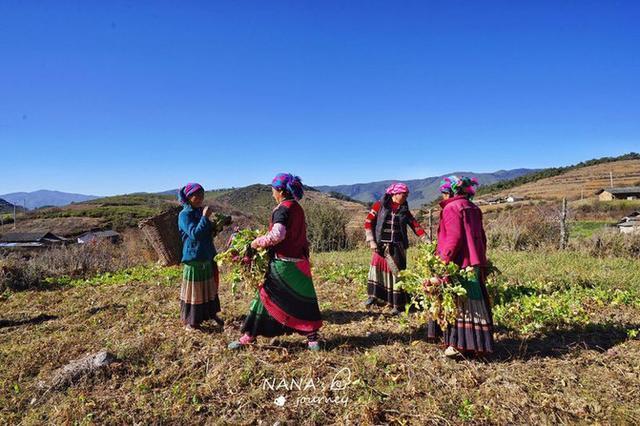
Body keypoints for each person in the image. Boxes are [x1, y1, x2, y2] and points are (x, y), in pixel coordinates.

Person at [228, 173, 323, 351]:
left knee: (265, 298)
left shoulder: (282, 209)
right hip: (300, 261)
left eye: (273, 190)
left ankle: (249, 335)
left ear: (280, 190)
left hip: (283, 263)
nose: (272, 193)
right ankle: (312, 338)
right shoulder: (297, 207)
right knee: (303, 299)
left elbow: (277, 235)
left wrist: (255, 243)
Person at [427, 176, 494, 357]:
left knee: (459, 302)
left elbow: (454, 239)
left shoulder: (451, 208)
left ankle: (460, 345)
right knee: (474, 301)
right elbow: (482, 237)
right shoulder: (473, 208)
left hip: (459, 262)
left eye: (443, 193)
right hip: (474, 262)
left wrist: (443, 263)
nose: (442, 197)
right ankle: (478, 344)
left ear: (449, 192)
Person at [364, 182, 427, 314]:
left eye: (407, 195)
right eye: (403, 195)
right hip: (381, 246)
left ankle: (397, 304)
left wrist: (426, 241)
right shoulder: (379, 205)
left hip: (397, 247)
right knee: (378, 272)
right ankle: (375, 297)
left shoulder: (404, 209)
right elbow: (368, 222)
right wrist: (371, 241)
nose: (405, 197)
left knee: (397, 274)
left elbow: (415, 225)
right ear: (395, 194)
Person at [177, 183, 225, 331]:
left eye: (201, 195)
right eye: (195, 195)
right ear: (188, 197)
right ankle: (192, 321)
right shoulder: (184, 215)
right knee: (195, 290)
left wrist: (216, 225)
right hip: (194, 257)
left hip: (206, 254)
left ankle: (210, 313)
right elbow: (195, 234)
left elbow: (206, 232)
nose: (199, 198)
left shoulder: (198, 211)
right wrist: (205, 217)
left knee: (208, 288)